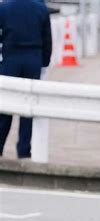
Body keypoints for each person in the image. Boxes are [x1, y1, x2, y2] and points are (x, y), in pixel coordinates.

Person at [0, 0, 52, 158]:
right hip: (33, 58)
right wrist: (44, 62)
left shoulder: (4, 8)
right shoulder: (41, 8)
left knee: (5, 105)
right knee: (29, 108)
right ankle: (23, 150)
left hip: (10, 58)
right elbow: (47, 39)